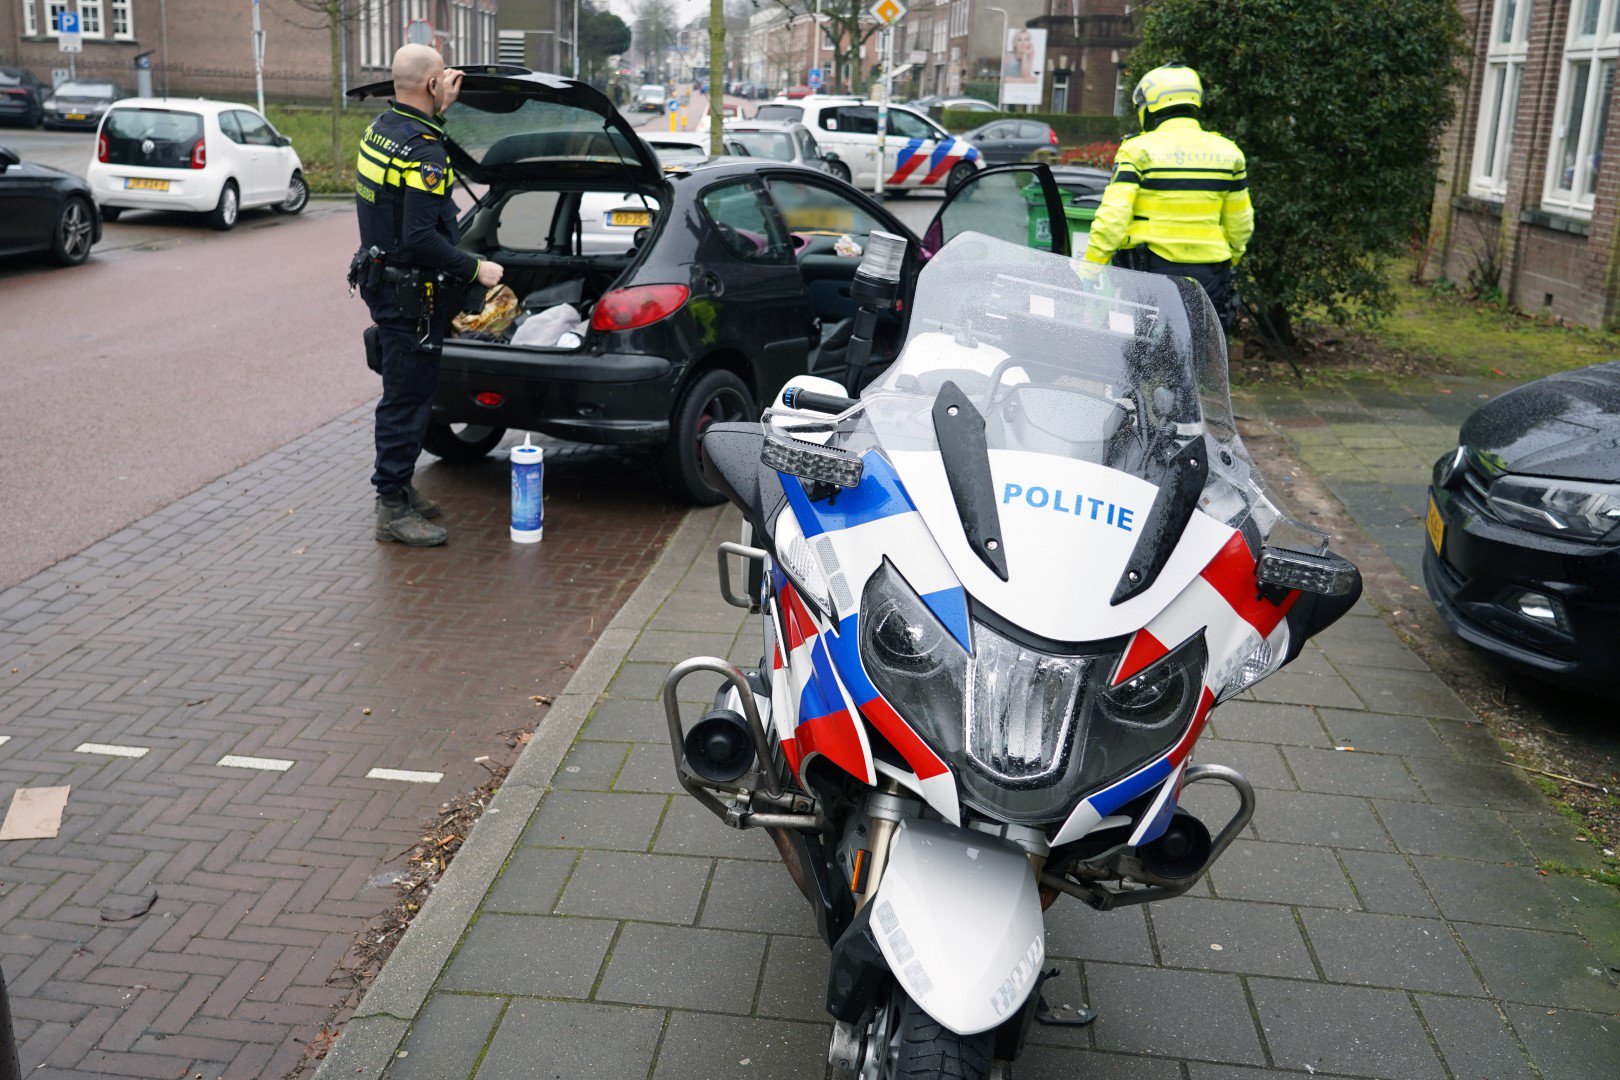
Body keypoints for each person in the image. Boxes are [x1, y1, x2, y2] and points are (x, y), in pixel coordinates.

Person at [354, 43, 504, 547]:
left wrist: (442, 113)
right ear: (432, 85)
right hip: (410, 297)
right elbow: (421, 236)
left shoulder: (380, 131)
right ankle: (391, 505)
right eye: (444, 79)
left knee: (405, 395)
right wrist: (476, 267)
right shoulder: (423, 149)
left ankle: (398, 488)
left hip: (384, 282)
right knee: (407, 401)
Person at [1081, 64, 1253, 331]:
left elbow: (1113, 218)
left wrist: (1091, 267)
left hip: (1148, 273)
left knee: (1140, 357)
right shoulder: (1228, 153)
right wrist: (1231, 258)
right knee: (1200, 354)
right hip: (1209, 273)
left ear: (1151, 105)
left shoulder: (1137, 151)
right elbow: (1240, 223)